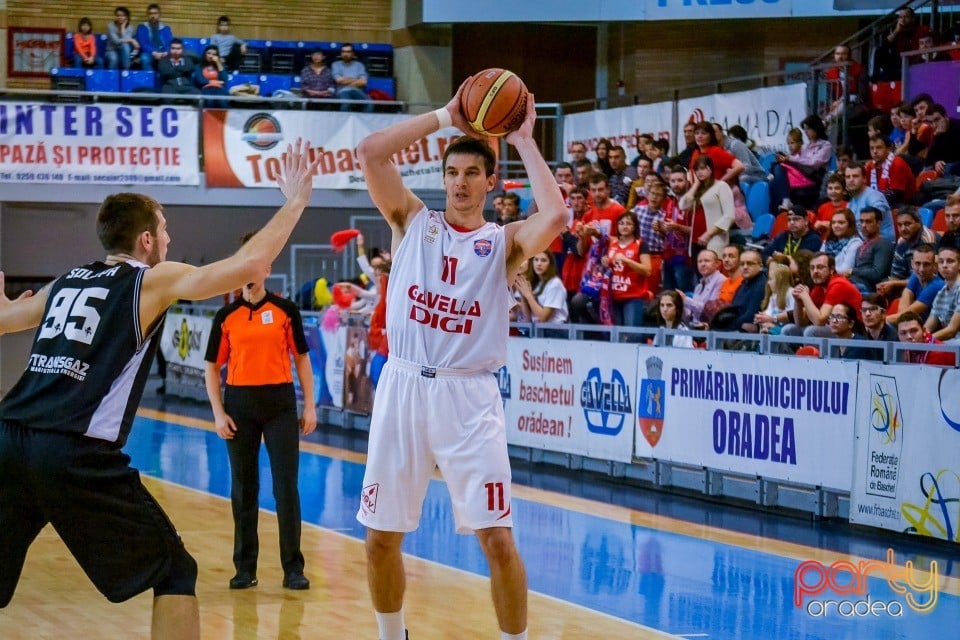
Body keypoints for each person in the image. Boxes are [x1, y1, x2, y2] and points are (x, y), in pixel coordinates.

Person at [0, 140, 319, 639]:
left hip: (9, 438)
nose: (169, 239)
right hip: (70, 450)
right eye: (165, 229)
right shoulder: (150, 280)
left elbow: (5, 319)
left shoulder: (67, 281)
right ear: (146, 239)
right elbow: (247, 268)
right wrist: (296, 201)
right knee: (175, 572)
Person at [354, 84, 567, 640]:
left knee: (497, 538)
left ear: (490, 183)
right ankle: (391, 635)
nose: (461, 182)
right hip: (402, 386)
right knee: (379, 538)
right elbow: (373, 152)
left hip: (468, 396)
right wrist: (446, 116)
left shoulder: (504, 243)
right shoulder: (410, 221)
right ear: (443, 178)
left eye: (473, 174)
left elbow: (558, 214)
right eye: (453, 173)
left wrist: (522, 139)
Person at [203, 232, 317, 592]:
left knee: (286, 489)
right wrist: (219, 413)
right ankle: (244, 567)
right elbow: (211, 367)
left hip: (280, 406)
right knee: (244, 489)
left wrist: (309, 405)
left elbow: (301, 358)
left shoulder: (286, 311)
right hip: (240, 406)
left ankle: (293, 568)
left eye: (258, 262)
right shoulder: (226, 316)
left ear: (267, 268)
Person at [782, 252, 863, 338]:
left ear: (831, 270)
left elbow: (819, 320)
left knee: (812, 331)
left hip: (853, 332)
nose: (815, 271)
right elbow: (800, 322)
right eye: (812, 268)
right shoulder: (819, 288)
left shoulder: (839, 284)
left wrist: (805, 297)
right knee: (789, 330)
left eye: (820, 267)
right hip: (834, 329)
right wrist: (798, 301)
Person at [876, 207, 940, 299]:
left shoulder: (928, 240)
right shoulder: (902, 243)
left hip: (927, 286)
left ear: (919, 223)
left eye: (907, 224)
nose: (903, 229)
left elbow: (926, 277)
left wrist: (894, 283)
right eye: (899, 225)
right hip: (908, 284)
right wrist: (888, 285)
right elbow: (896, 275)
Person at [678, 155, 735, 256]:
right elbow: (683, 206)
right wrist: (695, 185)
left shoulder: (721, 186)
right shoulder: (697, 189)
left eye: (703, 168)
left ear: (710, 169)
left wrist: (709, 234)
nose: (699, 172)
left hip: (713, 240)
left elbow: (729, 216)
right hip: (696, 240)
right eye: (697, 169)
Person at [603, 211, 652, 327]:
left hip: (633, 297)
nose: (624, 226)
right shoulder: (612, 244)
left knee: (632, 334)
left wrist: (628, 261)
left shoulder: (640, 245)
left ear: (635, 227)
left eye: (629, 224)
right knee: (615, 334)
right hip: (613, 296)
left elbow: (647, 270)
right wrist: (605, 262)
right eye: (621, 223)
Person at [887, 243, 943, 324]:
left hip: (931, 331)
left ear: (934, 265)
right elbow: (907, 294)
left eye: (926, 264)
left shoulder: (937, 285)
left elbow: (907, 314)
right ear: (912, 264)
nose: (921, 269)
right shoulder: (916, 276)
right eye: (918, 263)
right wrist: (902, 319)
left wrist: (880, 321)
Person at [513, 249, 568, 325]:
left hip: (555, 331)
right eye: (536, 260)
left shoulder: (555, 284)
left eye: (543, 260)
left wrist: (529, 296)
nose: (539, 264)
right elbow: (527, 319)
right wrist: (523, 296)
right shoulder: (537, 283)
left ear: (550, 264)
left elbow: (543, 318)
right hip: (537, 330)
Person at [848, 206, 894, 293]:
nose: (864, 225)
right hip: (854, 283)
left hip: (866, 288)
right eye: (861, 221)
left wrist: (852, 271)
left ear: (879, 223)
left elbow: (877, 274)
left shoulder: (883, 243)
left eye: (868, 222)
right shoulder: (860, 246)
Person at [845, 163, 894, 241]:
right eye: (848, 177)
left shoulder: (874, 197)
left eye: (855, 176)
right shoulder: (850, 202)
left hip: (881, 243)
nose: (851, 180)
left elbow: (872, 227)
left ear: (864, 179)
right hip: (861, 243)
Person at [679, 248, 726, 329]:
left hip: (710, 328)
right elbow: (692, 313)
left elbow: (710, 311)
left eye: (707, 261)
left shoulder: (721, 280)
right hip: (695, 326)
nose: (703, 264)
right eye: (700, 261)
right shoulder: (699, 286)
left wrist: (685, 300)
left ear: (717, 264)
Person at [924, 244, 960, 342]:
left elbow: (951, 330)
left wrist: (926, 341)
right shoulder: (941, 294)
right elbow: (928, 328)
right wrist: (919, 339)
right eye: (941, 262)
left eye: (950, 261)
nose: (944, 265)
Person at [749, 258, 794, 334]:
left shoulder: (791, 293)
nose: (768, 283)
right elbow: (768, 313)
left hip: (786, 330)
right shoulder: (773, 296)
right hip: (773, 327)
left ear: (780, 278)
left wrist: (772, 323)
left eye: (770, 279)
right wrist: (761, 318)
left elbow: (792, 316)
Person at [820, 208, 863, 275]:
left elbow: (845, 270)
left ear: (850, 225)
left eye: (841, 222)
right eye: (833, 222)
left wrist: (824, 270)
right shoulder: (827, 242)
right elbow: (818, 262)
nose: (836, 226)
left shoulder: (855, 243)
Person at [332, 43, 371, 112]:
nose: (345, 54)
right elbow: (339, 80)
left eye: (348, 52)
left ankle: (363, 122)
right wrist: (356, 80)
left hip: (357, 90)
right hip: (342, 91)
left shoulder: (359, 65)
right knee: (347, 103)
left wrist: (346, 80)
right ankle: (343, 122)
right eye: (343, 52)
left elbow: (363, 82)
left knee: (369, 103)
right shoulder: (336, 64)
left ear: (353, 54)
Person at [136, 3, 173, 70]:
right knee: (144, 58)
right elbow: (143, 43)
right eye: (150, 13)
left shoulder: (166, 28)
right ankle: (150, 79)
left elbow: (170, 42)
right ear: (147, 15)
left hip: (163, 53)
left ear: (159, 15)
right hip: (149, 53)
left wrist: (166, 52)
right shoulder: (142, 27)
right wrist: (154, 52)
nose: (153, 16)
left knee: (172, 59)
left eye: (155, 13)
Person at [106, 6, 139, 70]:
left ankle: (126, 72)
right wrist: (132, 40)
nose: (120, 17)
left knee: (125, 45)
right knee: (114, 58)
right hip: (111, 51)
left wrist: (123, 28)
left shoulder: (130, 27)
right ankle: (112, 77)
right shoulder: (111, 26)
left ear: (127, 17)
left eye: (123, 15)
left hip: (124, 52)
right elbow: (116, 41)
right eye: (118, 15)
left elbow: (125, 41)